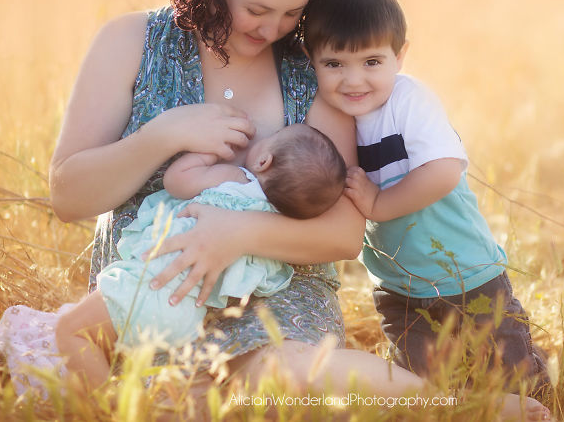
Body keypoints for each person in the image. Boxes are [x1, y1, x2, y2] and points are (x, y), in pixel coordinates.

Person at [48, 0, 550, 420]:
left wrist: (236, 234)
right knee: (179, 403)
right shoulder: (132, 42)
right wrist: (162, 135)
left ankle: (457, 410)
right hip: (155, 284)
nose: (272, 30)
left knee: (283, 379)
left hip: (277, 289)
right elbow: (68, 196)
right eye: (256, 10)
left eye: (292, 13)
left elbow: (342, 235)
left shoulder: (314, 70)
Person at [303, 0, 551, 398]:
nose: (353, 80)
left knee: (513, 376)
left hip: (466, 274)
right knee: (430, 386)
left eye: (372, 61)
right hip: (398, 289)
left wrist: (379, 204)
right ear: (311, 60)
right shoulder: (330, 117)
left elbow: (442, 171)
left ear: (400, 56)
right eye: (334, 64)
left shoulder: (408, 100)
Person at [55, 123, 347, 389]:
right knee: (178, 392)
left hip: (149, 286)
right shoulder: (270, 223)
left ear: (263, 161)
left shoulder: (237, 178)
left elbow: (177, 181)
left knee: (71, 332)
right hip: (187, 316)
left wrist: (208, 152)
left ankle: (106, 410)